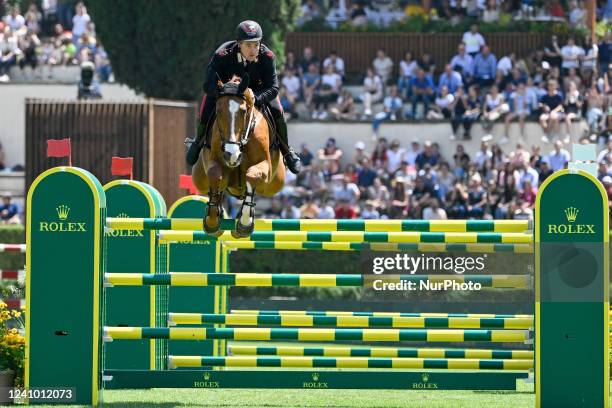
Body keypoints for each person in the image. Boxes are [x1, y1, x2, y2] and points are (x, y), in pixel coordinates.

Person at [186, 20, 301, 174]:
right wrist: (224, 92)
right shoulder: (222, 54)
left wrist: (256, 98)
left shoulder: (267, 56)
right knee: (206, 105)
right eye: (248, 45)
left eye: (256, 44)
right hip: (226, 92)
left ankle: (287, 151)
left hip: (258, 91)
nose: (253, 50)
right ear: (239, 44)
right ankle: (198, 142)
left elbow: (273, 88)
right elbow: (208, 85)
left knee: (277, 110)